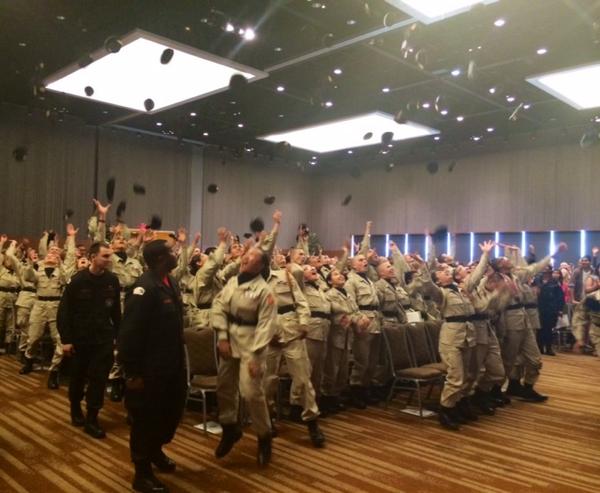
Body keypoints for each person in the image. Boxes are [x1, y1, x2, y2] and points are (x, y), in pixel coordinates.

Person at [118, 240, 186, 493]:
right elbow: (129, 333)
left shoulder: (170, 282)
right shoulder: (144, 288)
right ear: (159, 258)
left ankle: (156, 450)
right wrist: (132, 372)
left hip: (172, 363)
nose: (175, 253)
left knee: (170, 413)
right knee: (145, 419)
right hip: (149, 368)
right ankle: (142, 472)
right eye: (170, 251)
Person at [212, 246, 276, 465]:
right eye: (245, 256)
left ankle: (264, 436)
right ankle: (230, 428)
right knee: (224, 387)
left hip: (251, 344)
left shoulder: (264, 291)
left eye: (251, 258)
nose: (245, 259)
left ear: (261, 265)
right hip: (230, 341)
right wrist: (222, 336)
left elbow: (267, 325)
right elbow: (219, 307)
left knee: (251, 393)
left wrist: (257, 357)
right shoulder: (233, 282)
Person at [57, 242, 121, 438]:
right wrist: (66, 340)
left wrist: (118, 336)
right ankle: (75, 408)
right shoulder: (77, 280)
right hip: (80, 338)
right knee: (78, 377)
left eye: (110, 256)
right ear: (93, 257)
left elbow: (116, 312)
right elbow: (64, 312)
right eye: (105, 256)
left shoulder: (112, 280)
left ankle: (92, 418)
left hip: (103, 338)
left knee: (99, 379)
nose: (109, 259)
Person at [536, 267, 565, 355]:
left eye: (548, 271)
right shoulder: (537, 281)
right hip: (539, 309)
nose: (546, 273)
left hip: (551, 309)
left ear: (550, 272)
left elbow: (560, 297)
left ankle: (548, 348)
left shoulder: (555, 283)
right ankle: (540, 348)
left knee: (549, 329)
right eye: (544, 271)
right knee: (539, 329)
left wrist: (559, 309)